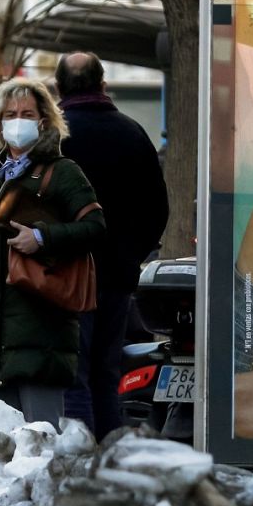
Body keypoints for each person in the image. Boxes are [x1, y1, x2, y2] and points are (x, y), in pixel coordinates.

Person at [0, 78, 106, 424]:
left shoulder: (63, 173)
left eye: (26, 113)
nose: (17, 120)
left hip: (41, 330)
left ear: (43, 121)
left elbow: (95, 228)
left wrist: (40, 238)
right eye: (9, 114)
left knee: (39, 443)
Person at [54, 52, 169, 436]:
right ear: (103, 85)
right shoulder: (132, 132)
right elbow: (157, 208)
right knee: (106, 374)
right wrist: (131, 255)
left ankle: (80, 462)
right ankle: (108, 457)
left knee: (74, 375)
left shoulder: (54, 138)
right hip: (118, 277)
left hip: (67, 277)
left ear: (58, 88)